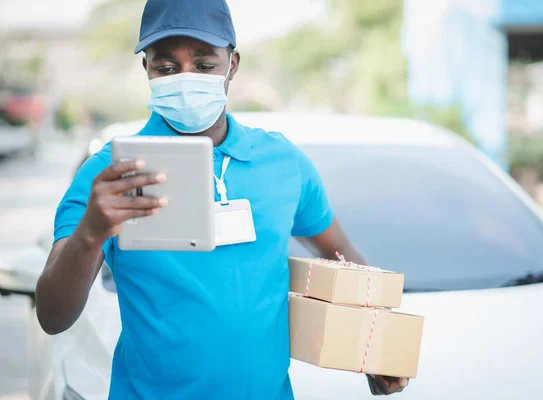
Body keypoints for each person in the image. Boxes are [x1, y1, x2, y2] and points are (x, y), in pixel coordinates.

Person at [35, 0, 409, 398]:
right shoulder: (108, 174)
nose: (185, 78)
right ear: (146, 68)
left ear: (232, 65)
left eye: (204, 64)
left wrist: (378, 347)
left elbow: (344, 257)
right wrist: (91, 233)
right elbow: (53, 316)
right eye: (166, 67)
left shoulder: (283, 161)